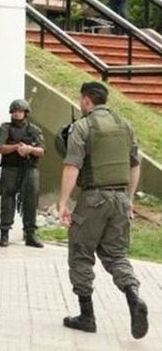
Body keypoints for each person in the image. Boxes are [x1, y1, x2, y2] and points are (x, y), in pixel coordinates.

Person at [58, 82, 148, 339]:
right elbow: (135, 164)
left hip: (94, 198)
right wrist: (129, 199)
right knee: (117, 255)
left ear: (86, 100)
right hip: (120, 197)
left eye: (80, 100)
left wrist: (63, 203)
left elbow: (72, 166)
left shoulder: (83, 127)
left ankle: (87, 316)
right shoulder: (125, 125)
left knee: (80, 253)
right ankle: (133, 296)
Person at [0, 99, 45, 248]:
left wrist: (29, 149)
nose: (17, 114)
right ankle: (4, 233)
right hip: (10, 168)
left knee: (31, 200)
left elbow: (42, 150)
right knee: (7, 199)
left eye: (20, 111)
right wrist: (17, 147)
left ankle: (30, 234)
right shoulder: (5, 128)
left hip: (30, 168)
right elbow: (0, 148)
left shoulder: (34, 130)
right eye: (15, 111)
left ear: (25, 113)